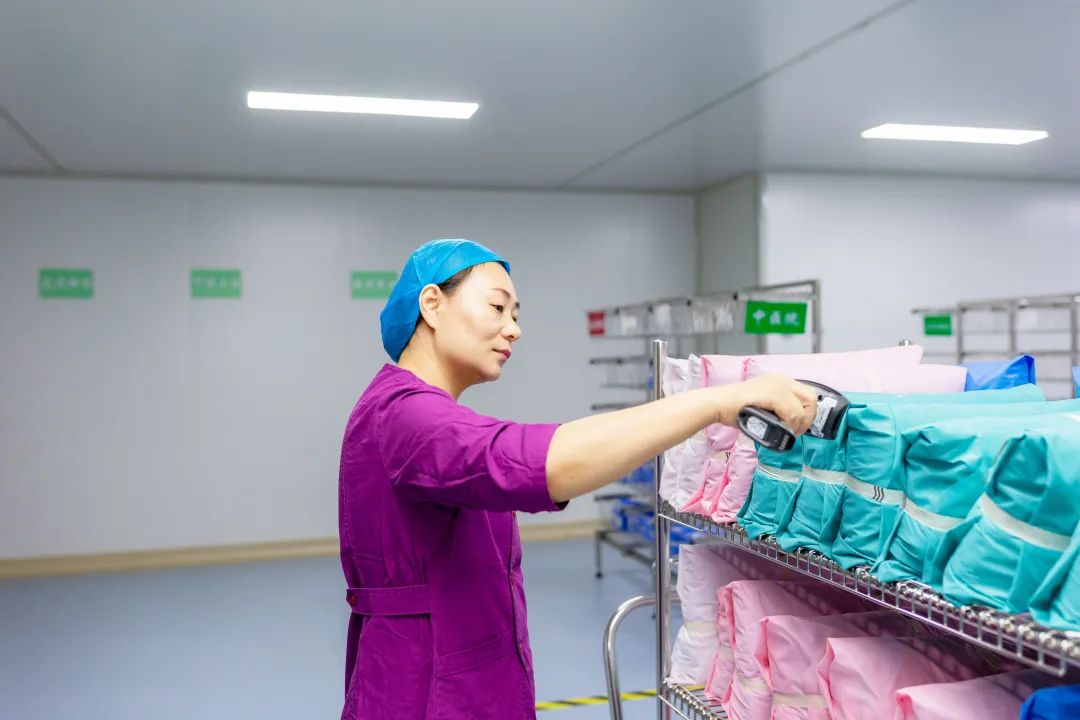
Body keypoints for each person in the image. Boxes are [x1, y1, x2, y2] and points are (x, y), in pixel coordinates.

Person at [338, 239, 818, 720]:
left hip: (463, 679)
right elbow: (542, 462)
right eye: (498, 308)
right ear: (432, 305)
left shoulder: (418, 412)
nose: (514, 329)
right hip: (423, 691)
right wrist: (718, 402)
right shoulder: (404, 415)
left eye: (516, 315)